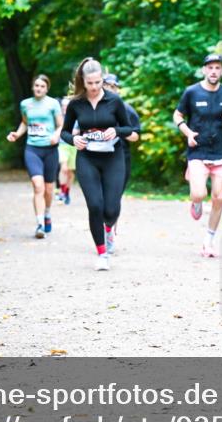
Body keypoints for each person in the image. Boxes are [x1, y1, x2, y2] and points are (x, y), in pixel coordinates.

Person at [61, 58, 135, 271]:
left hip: (113, 157)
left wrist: (117, 131)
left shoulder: (114, 101)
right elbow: (65, 132)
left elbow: (129, 129)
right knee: (95, 205)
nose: (94, 87)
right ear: (83, 82)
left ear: (102, 79)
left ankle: (109, 228)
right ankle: (102, 253)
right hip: (87, 158)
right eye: (90, 83)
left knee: (110, 209)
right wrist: (73, 139)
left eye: (98, 82)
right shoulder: (76, 104)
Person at [173, 53, 222, 257]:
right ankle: (196, 199)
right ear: (204, 70)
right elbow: (177, 115)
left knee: (219, 198)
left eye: (217, 68)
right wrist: (187, 132)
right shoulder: (191, 92)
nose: (213, 71)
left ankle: (208, 242)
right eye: (210, 68)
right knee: (199, 194)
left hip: (220, 151)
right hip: (197, 151)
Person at [7, 75, 63, 239]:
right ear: (33, 87)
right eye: (36, 85)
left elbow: (61, 125)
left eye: (42, 86)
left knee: (49, 189)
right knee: (38, 186)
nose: (39, 88)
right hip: (33, 149)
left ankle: (46, 213)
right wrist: (17, 134)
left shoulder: (53, 104)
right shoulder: (25, 104)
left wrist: (56, 135)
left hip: (50, 150)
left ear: (47, 89)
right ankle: (39, 224)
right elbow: (25, 122)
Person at [103, 73, 141, 196]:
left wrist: (118, 131)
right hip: (98, 156)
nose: (111, 89)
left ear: (118, 89)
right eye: (107, 85)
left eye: (114, 86)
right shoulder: (94, 107)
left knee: (115, 197)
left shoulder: (127, 109)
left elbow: (135, 136)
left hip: (121, 156)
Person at [56, 96, 77, 205]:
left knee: (70, 172)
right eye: (63, 105)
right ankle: (62, 192)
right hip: (62, 145)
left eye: (66, 105)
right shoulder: (58, 117)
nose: (64, 107)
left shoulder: (77, 116)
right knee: (64, 168)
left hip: (74, 146)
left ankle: (67, 192)